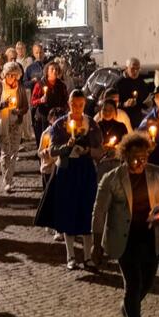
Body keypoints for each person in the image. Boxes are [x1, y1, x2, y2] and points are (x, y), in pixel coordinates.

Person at [95, 131, 159, 317]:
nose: (140, 162)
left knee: (147, 283)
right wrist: (96, 245)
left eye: (144, 157)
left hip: (150, 237)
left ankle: (128, 310)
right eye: (135, 158)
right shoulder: (111, 179)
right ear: (124, 155)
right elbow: (99, 211)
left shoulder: (158, 175)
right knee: (133, 284)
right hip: (125, 239)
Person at [34, 90, 102, 269]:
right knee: (68, 211)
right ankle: (70, 256)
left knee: (87, 211)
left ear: (84, 104)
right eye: (74, 104)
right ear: (69, 103)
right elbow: (52, 149)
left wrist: (88, 151)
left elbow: (99, 149)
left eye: (80, 105)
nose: (77, 108)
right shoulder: (59, 124)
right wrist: (67, 146)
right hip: (66, 170)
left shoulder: (92, 124)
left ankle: (87, 256)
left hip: (85, 171)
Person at [0, 61, 31, 192]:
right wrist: (3, 104)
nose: (11, 78)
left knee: (14, 152)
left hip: (16, 122)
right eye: (9, 75)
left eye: (14, 75)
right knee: (4, 152)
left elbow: (25, 106)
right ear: (5, 75)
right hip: (2, 123)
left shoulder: (20, 88)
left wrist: (18, 111)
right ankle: (7, 180)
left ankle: (9, 178)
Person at [30, 61, 68, 143]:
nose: (55, 71)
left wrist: (63, 110)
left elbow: (65, 100)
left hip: (57, 117)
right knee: (44, 139)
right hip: (43, 116)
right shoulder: (40, 85)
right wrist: (40, 100)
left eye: (56, 69)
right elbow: (32, 101)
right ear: (47, 71)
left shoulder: (61, 85)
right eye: (52, 69)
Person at [115, 57, 152, 127]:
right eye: (132, 68)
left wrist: (148, 104)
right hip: (122, 121)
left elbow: (144, 101)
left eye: (137, 69)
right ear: (126, 68)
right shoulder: (119, 84)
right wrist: (124, 104)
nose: (135, 71)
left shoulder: (141, 83)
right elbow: (113, 104)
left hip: (138, 121)